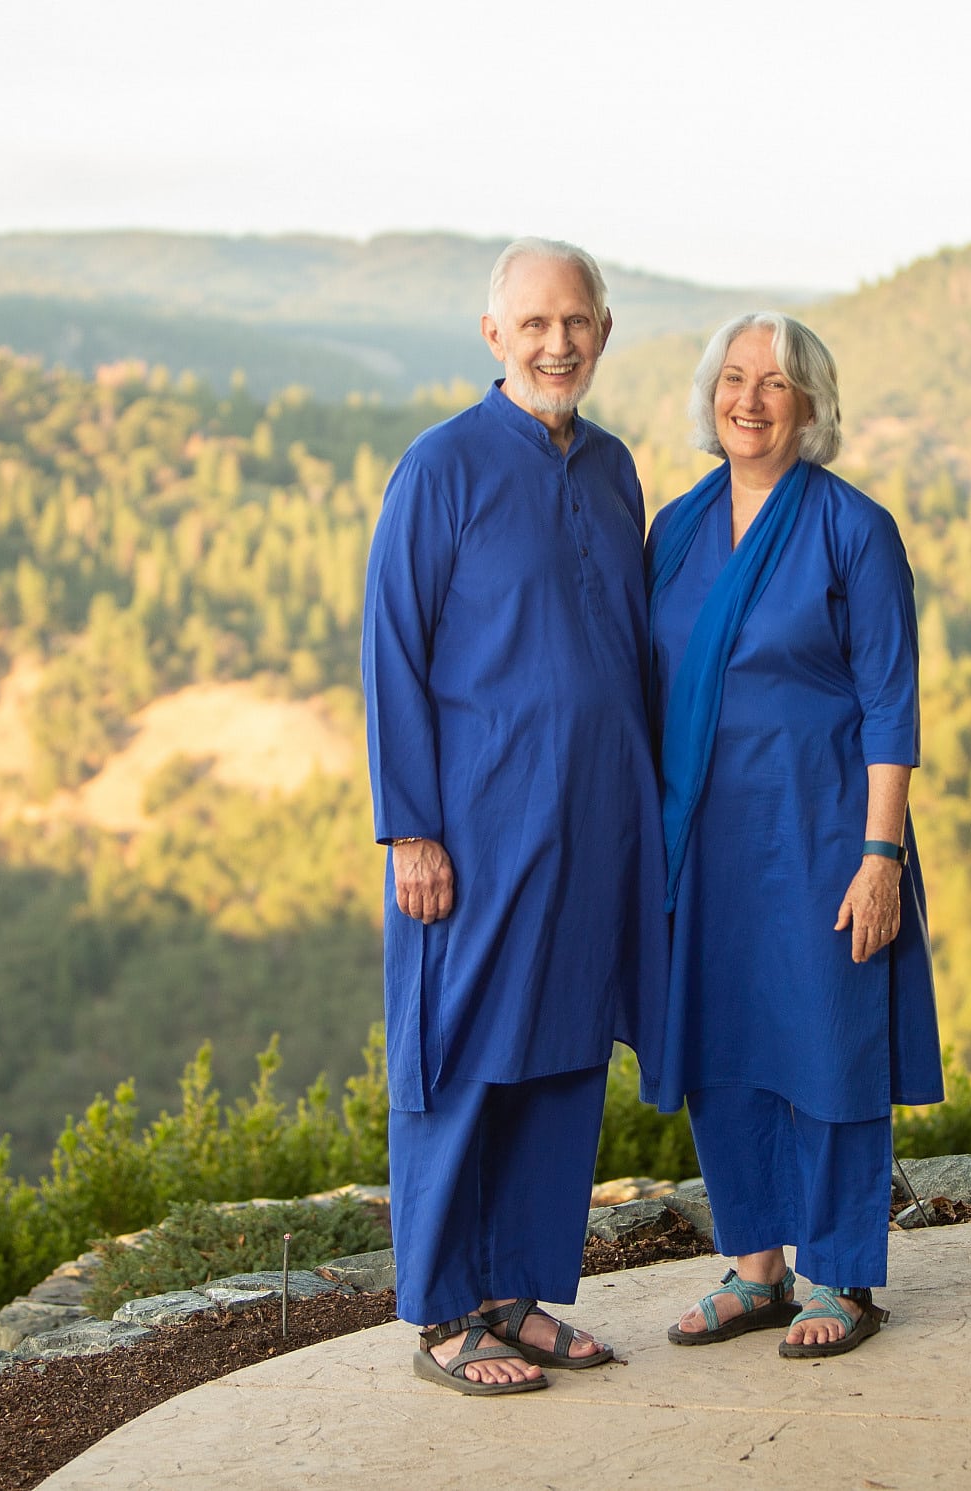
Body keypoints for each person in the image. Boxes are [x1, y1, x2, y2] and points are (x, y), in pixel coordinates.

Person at [362, 237, 666, 1394]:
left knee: (559, 1057)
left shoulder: (614, 469)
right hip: (472, 834)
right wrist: (411, 828)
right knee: (458, 1059)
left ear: (600, 330)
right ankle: (445, 1311)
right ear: (494, 336)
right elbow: (392, 652)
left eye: (576, 321)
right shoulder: (438, 469)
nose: (557, 342)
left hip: (592, 830)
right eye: (534, 324)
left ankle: (517, 1294)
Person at [643, 311, 944, 1359]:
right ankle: (755, 1263)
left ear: (809, 404)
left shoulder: (852, 528)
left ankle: (842, 1273)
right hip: (705, 845)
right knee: (724, 1051)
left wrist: (881, 855)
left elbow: (889, 704)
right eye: (734, 378)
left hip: (822, 835)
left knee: (827, 1045)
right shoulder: (674, 531)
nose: (750, 399)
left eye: (775, 382)